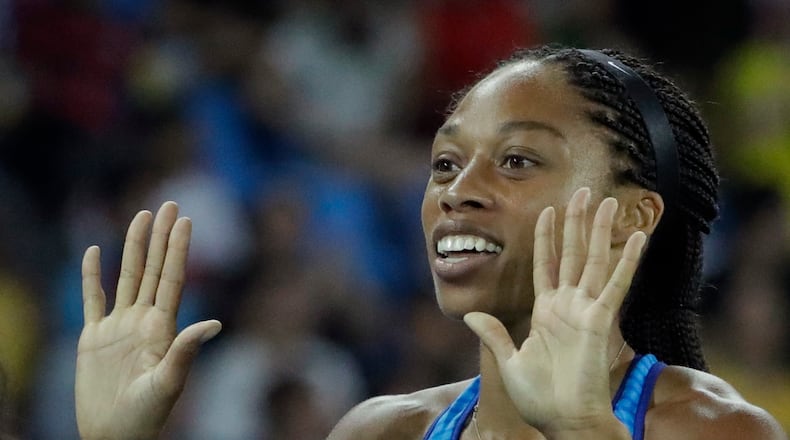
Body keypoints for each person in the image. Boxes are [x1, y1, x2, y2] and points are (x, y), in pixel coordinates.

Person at [75, 45, 787, 439]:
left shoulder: (714, 430)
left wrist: (579, 431)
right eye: (445, 163)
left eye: (517, 160)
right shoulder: (381, 432)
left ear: (631, 217)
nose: (456, 190)